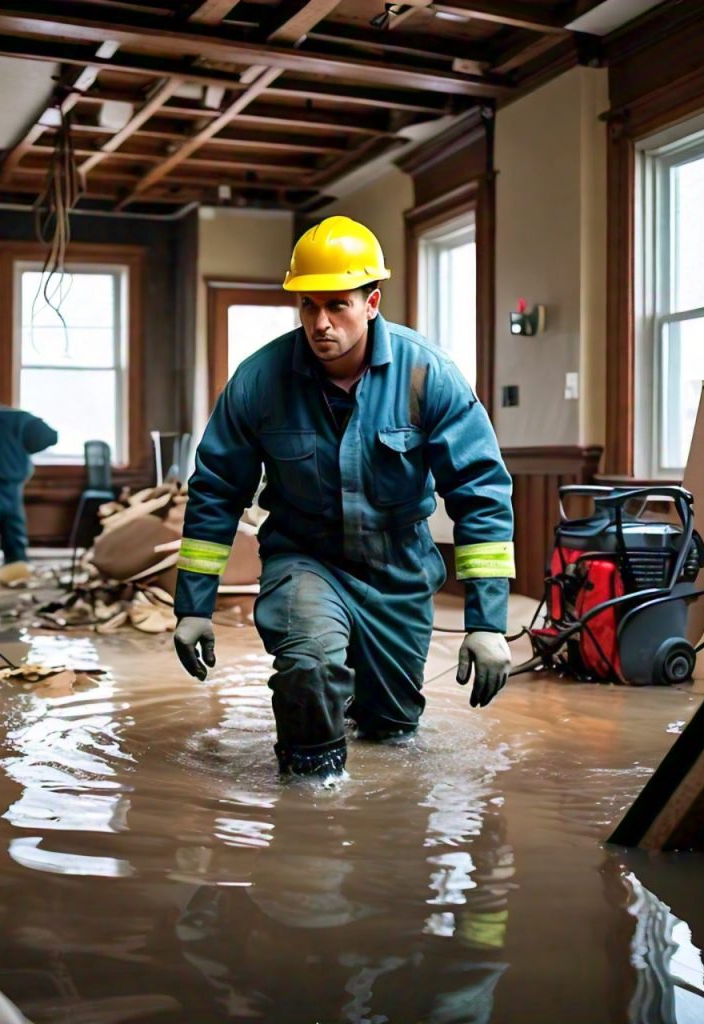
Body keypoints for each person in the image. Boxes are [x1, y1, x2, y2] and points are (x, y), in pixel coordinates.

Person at [172, 216, 514, 780]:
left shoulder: (429, 375)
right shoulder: (260, 381)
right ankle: (310, 802)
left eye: (337, 305)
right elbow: (215, 491)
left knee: (392, 731)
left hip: (397, 571)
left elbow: (481, 494)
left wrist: (487, 621)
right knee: (309, 663)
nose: (321, 323)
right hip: (305, 557)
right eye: (309, 306)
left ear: (372, 302)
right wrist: (193, 607)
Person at [0, 406, 58, 589]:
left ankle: (15, 577)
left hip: (12, 488)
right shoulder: (1, 422)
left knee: (15, 536)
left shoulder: (17, 428)